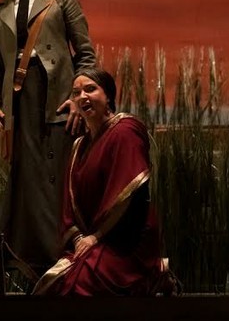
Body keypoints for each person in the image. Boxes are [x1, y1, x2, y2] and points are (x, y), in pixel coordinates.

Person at [0, 0, 97, 280]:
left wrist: (79, 98)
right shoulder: (0, 8)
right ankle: (26, 268)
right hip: (18, 106)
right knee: (25, 183)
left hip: (56, 102)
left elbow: (86, 56)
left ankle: (61, 263)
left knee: (55, 183)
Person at [33, 68, 167, 296]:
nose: (82, 96)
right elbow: (69, 205)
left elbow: (128, 195)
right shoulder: (79, 146)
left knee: (79, 285)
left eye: (90, 89)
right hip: (93, 241)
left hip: (126, 240)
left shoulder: (126, 131)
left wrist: (96, 237)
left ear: (108, 96)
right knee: (56, 284)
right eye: (76, 93)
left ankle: (154, 274)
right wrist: (78, 238)